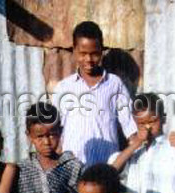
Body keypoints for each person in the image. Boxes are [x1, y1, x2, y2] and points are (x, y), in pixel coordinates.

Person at [52, 21, 137, 165]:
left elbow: (129, 126)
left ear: (102, 50)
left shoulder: (114, 84)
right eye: (83, 53)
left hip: (107, 165)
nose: (89, 60)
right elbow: (55, 130)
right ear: (74, 50)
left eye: (95, 54)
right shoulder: (63, 88)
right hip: (73, 166)